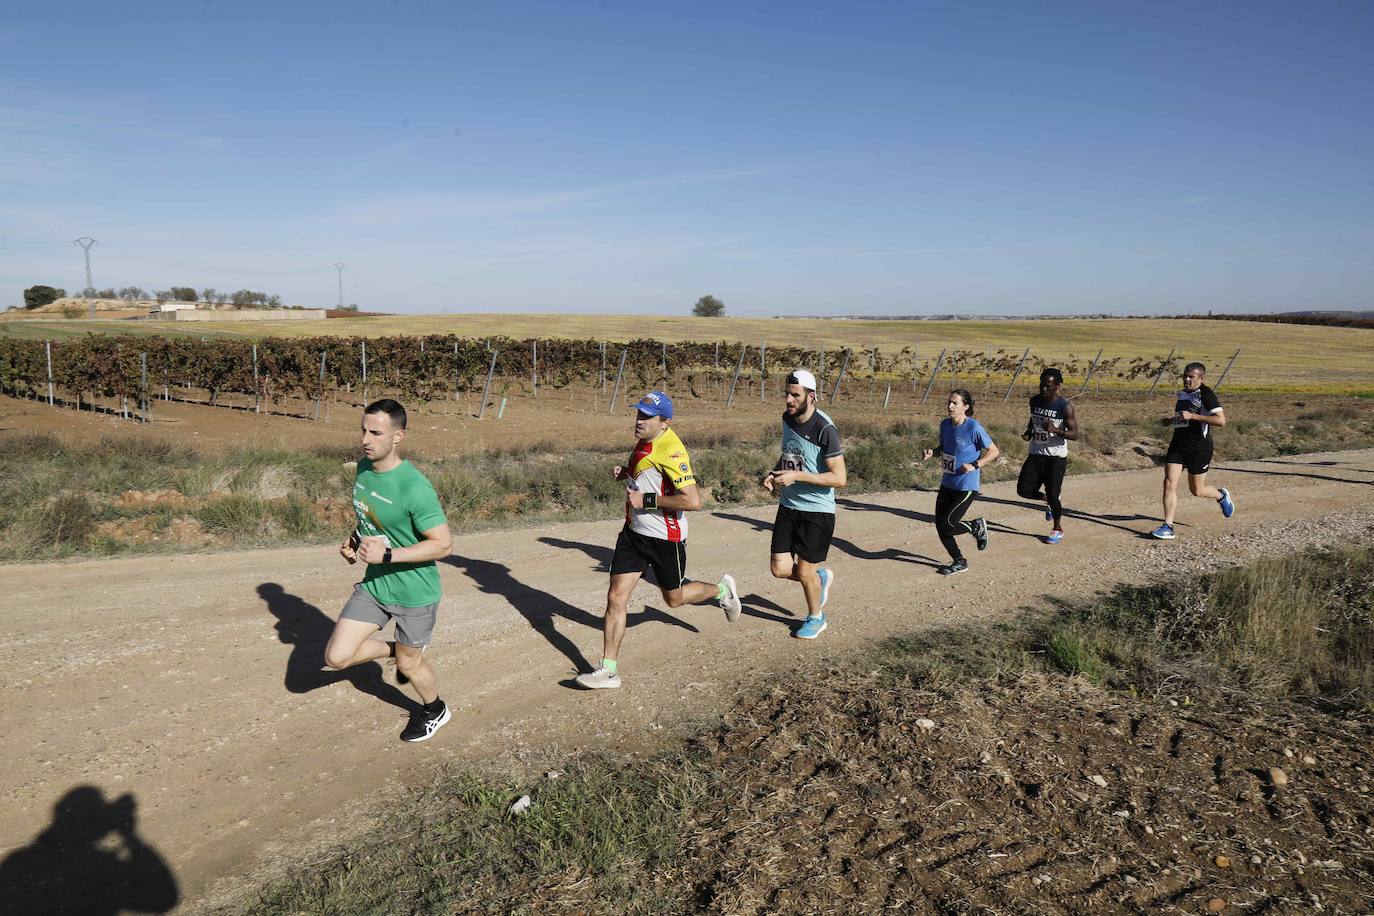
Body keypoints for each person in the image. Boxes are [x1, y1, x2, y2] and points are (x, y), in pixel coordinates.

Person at [575, 391, 741, 689]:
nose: (638, 421)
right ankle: (608, 670)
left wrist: (646, 500)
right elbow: (647, 477)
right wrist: (626, 473)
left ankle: (722, 590)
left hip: (666, 538)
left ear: (664, 422)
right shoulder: (646, 441)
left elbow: (693, 501)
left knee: (674, 599)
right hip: (633, 534)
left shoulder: (673, 451)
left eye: (645, 417)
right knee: (616, 598)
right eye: (637, 414)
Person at [325, 399, 455, 742]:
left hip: (415, 593)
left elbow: (443, 544)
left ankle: (435, 709)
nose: (366, 439)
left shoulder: (414, 487)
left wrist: (387, 555)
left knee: (410, 667)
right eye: (363, 430)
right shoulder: (363, 469)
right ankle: (398, 649)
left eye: (376, 432)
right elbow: (370, 518)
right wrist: (355, 541)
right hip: (376, 586)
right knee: (337, 657)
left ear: (398, 436)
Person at [761, 369, 846, 638]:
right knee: (780, 569)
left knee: (805, 569)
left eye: (795, 395)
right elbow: (790, 453)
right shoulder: (787, 418)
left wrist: (796, 476)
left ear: (812, 397)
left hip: (817, 511)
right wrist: (775, 474)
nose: (789, 399)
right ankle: (818, 580)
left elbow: (839, 478)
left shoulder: (825, 428)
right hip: (788, 505)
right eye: (787, 393)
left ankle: (816, 617)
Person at [1151, 362, 1235, 539]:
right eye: (1185, 376)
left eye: (1191, 377)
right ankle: (1168, 526)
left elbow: (1221, 421)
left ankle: (1221, 496)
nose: (1187, 379)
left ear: (1201, 378)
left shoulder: (1206, 394)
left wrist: (1193, 416)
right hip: (1178, 444)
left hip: (1199, 447)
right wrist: (1170, 420)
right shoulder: (1183, 393)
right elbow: (1184, 418)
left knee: (1197, 490)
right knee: (1168, 483)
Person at [921, 389, 999, 575]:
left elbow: (994, 451)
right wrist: (934, 452)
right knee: (941, 526)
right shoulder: (945, 425)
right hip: (948, 482)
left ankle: (975, 526)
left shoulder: (974, 427)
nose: (949, 406)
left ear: (965, 407)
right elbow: (945, 447)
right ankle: (959, 561)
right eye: (949, 402)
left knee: (948, 524)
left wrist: (975, 464)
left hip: (966, 486)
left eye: (955, 403)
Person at [1017, 367, 1077, 544]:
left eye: (1048, 386)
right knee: (1023, 490)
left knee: (1053, 492)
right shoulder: (1035, 400)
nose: (1043, 389)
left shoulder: (1064, 407)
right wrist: (1029, 431)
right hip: (1036, 453)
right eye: (1041, 385)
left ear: (1057, 386)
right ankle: (1049, 501)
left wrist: (1055, 430)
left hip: (1056, 457)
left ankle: (1057, 528)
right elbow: (1033, 418)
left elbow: (1074, 434)